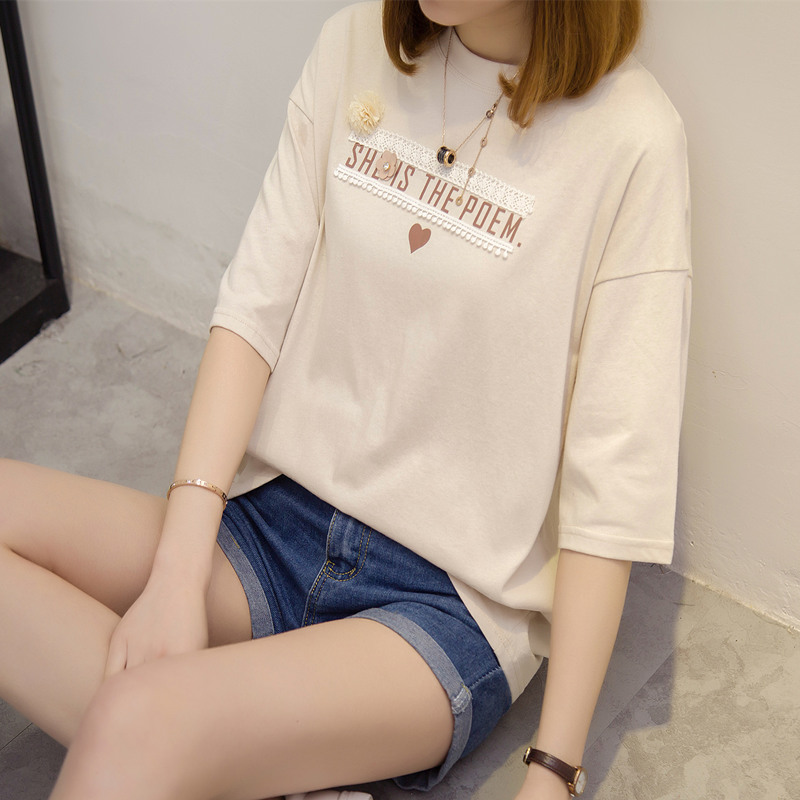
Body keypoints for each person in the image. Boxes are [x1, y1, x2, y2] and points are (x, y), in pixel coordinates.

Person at [0, 1, 691, 798]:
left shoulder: (633, 138)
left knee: (136, 718)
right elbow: (254, 311)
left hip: (444, 604)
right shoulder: (354, 42)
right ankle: (237, 759)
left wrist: (555, 771)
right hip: (270, 523)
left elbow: (612, 477)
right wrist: (176, 575)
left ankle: (191, 744)